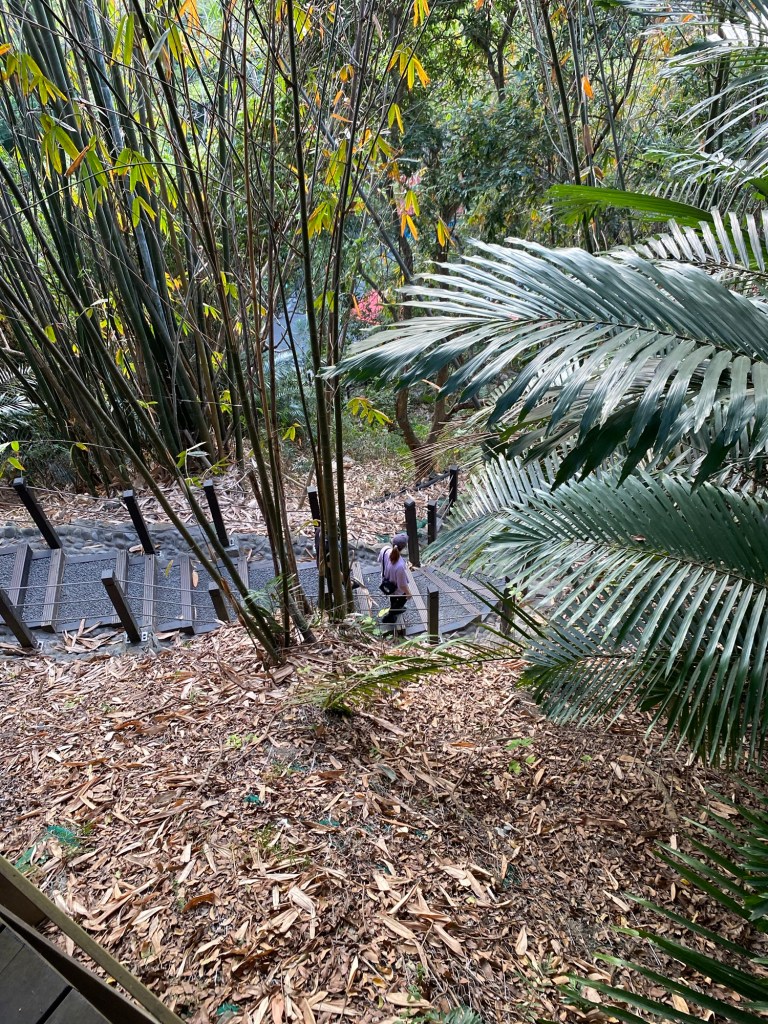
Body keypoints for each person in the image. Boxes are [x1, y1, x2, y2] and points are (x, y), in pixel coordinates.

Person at [379, 532, 412, 624]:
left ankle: (394, 610)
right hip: (396, 588)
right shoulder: (400, 565)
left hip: (386, 581)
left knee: (393, 597)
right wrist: (409, 593)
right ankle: (390, 615)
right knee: (403, 597)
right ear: (404, 547)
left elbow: (380, 560)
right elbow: (402, 585)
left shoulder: (385, 549)